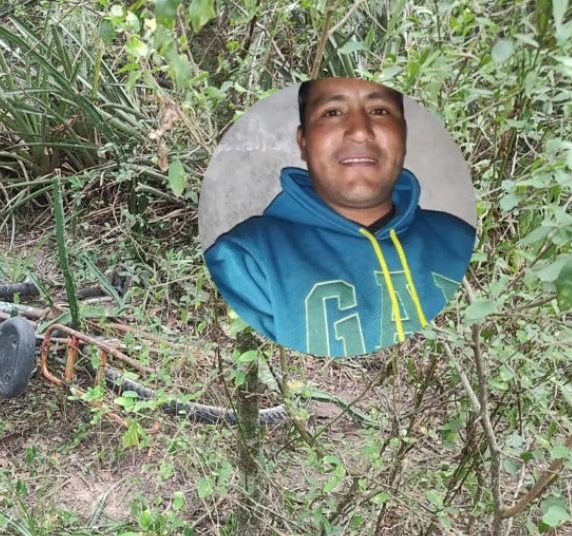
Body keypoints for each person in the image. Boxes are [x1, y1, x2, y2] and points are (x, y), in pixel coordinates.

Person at [203, 77, 476, 358]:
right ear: (304, 141)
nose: (359, 131)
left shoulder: (463, 243)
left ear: (403, 135)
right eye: (332, 112)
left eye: (379, 111)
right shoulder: (245, 263)